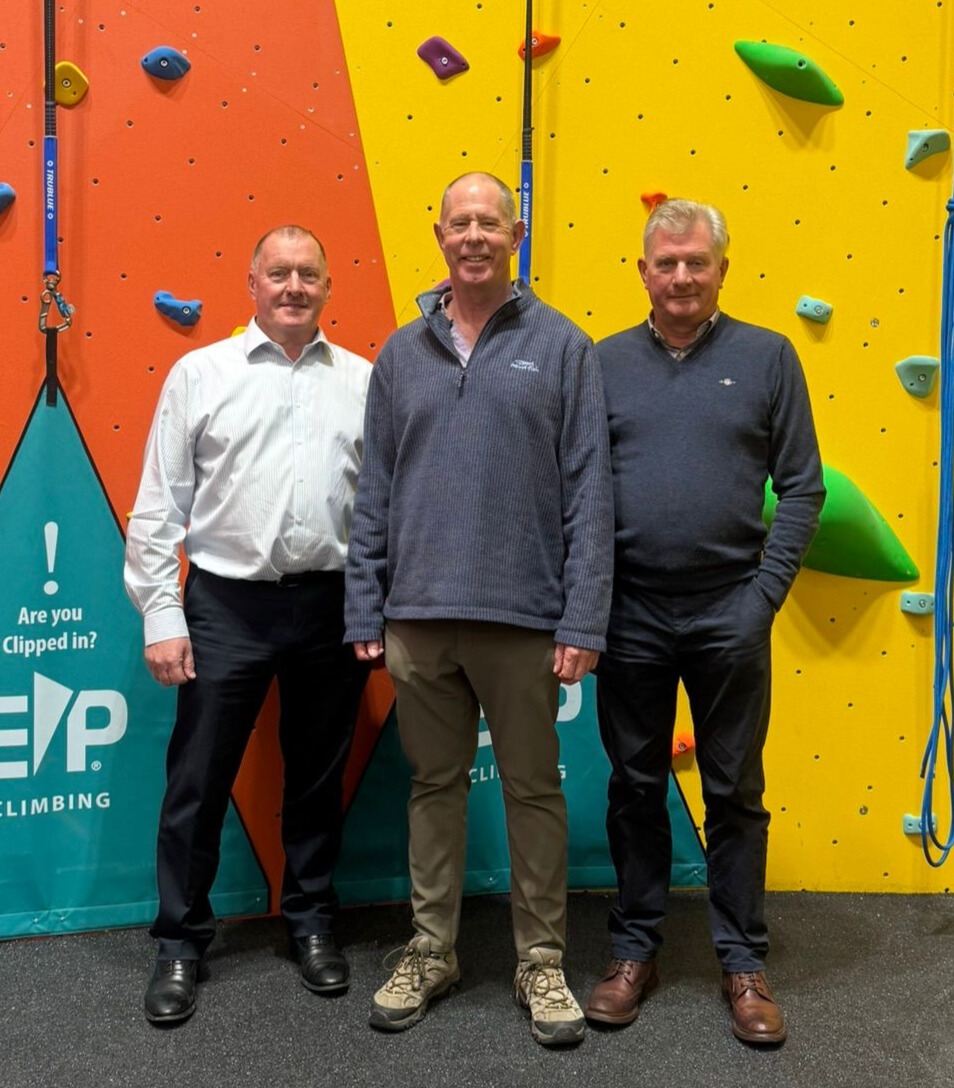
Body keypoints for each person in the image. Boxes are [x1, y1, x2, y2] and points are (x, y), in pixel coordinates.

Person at [345, 172, 613, 1047]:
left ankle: (541, 962)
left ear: (515, 234)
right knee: (433, 787)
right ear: (439, 235)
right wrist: (364, 609)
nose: (473, 236)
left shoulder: (564, 347)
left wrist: (583, 620)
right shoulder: (400, 355)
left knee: (534, 791)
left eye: (489, 223)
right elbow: (375, 491)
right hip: (418, 620)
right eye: (459, 222)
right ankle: (433, 950)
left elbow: (590, 495)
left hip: (525, 620)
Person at [585, 198, 824, 1045]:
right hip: (631, 613)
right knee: (634, 786)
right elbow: (581, 490)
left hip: (731, 609)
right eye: (667, 262)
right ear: (642, 271)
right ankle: (633, 951)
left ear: (723, 267)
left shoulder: (769, 356)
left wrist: (762, 599)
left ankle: (743, 963)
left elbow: (803, 488)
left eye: (696, 261)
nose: (681, 276)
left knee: (735, 793)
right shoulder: (603, 363)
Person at [125, 225, 372, 1024]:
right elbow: (159, 504)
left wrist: (373, 604)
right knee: (197, 781)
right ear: (252, 284)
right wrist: (162, 613)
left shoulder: (364, 381)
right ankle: (179, 941)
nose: (293, 287)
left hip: (332, 604)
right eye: (279, 273)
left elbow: (380, 512)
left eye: (308, 274)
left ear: (327, 286)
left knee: (317, 777)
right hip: (226, 606)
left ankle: (310, 923)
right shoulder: (201, 373)